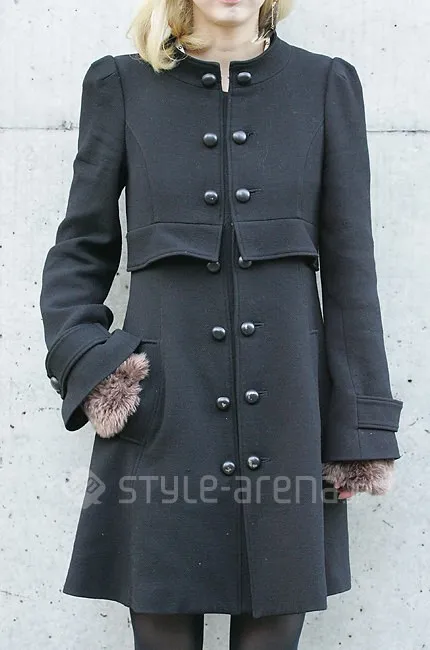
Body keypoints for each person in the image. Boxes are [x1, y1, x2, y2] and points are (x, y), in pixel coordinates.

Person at [39, 0, 404, 648]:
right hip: (162, 418)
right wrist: (95, 370)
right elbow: (79, 252)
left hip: (290, 422)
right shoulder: (120, 84)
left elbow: (353, 271)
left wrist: (360, 429)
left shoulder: (326, 85)